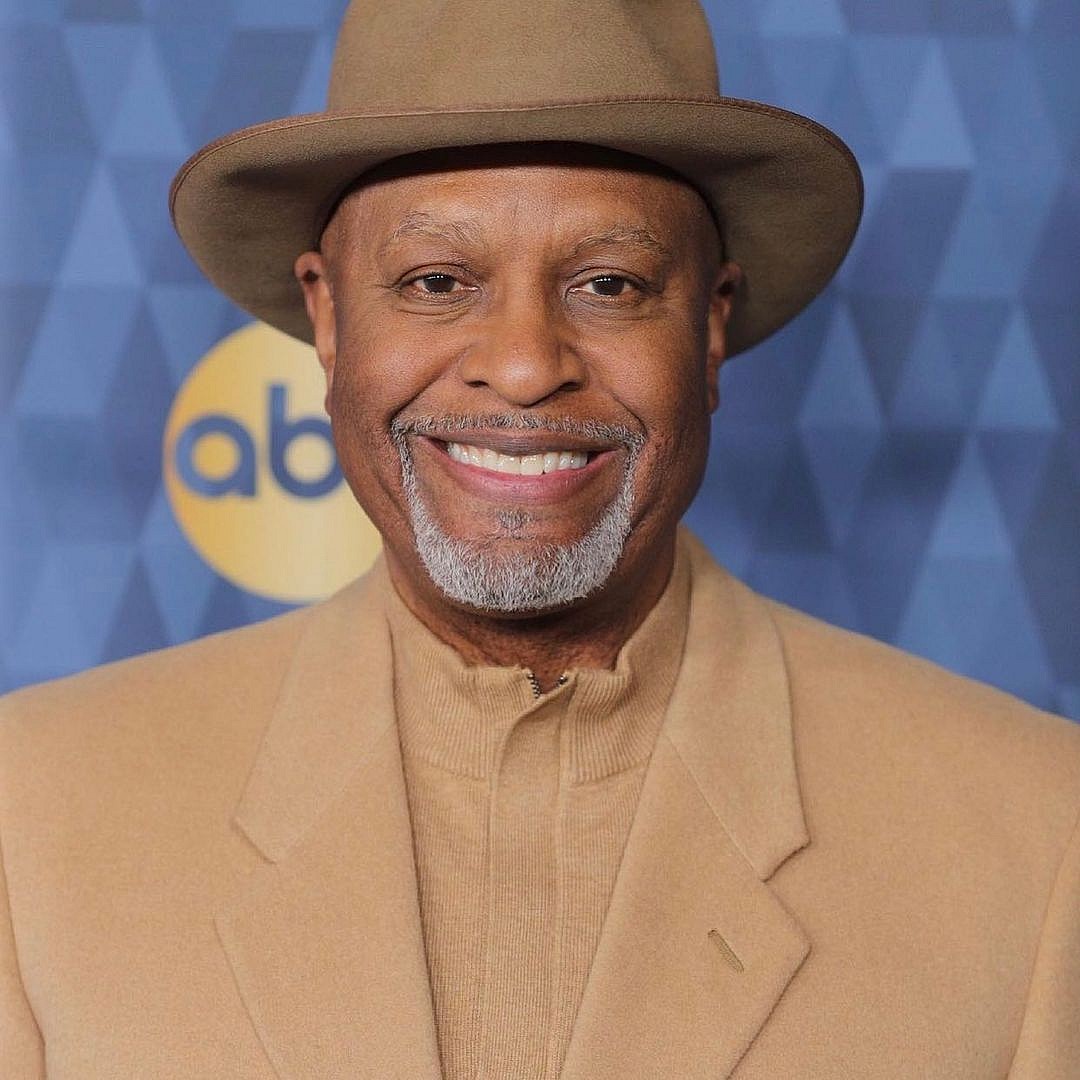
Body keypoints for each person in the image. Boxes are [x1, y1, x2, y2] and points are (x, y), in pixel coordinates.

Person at [2, 0, 1078, 1076]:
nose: (523, 365)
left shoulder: (1036, 834)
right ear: (329, 321)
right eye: (435, 283)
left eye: (608, 284)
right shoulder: (31, 816)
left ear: (709, 323)